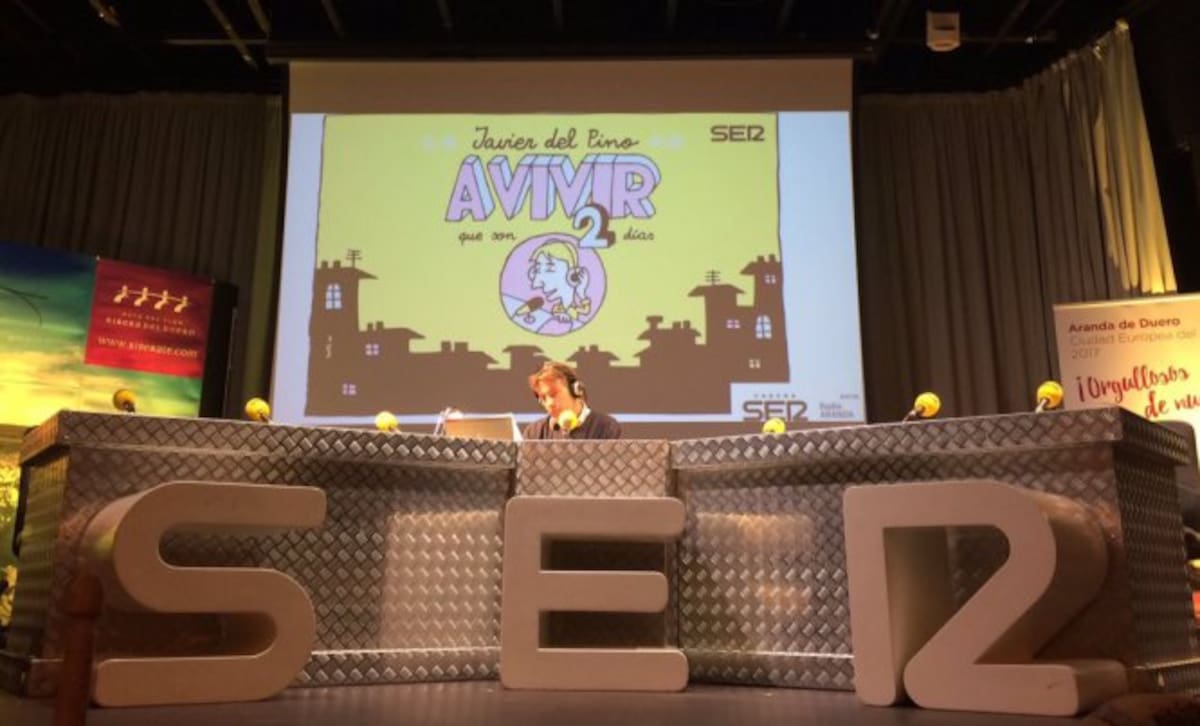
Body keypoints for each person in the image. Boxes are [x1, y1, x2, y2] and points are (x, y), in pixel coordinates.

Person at [523, 361, 621, 440]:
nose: (549, 403)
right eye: (543, 398)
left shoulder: (606, 427)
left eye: (554, 394)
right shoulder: (533, 433)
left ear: (575, 390)